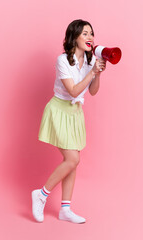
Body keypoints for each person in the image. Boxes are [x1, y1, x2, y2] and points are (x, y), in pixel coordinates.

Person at [31, 19, 106, 224]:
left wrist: (97, 73)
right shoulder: (62, 60)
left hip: (75, 113)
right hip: (59, 110)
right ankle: (41, 194)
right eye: (85, 33)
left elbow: (92, 91)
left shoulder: (90, 62)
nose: (90, 37)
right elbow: (73, 90)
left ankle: (65, 209)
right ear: (74, 37)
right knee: (72, 159)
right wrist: (91, 72)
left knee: (72, 164)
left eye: (91, 33)